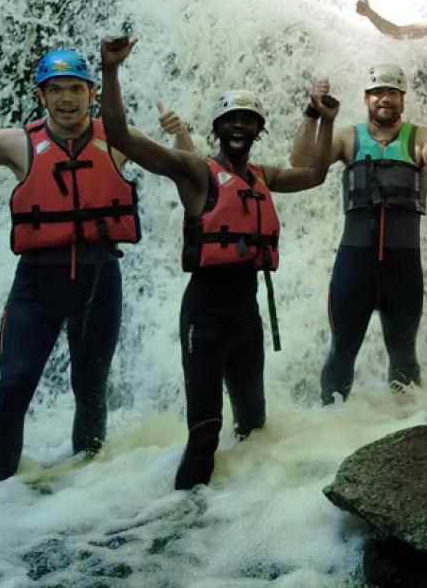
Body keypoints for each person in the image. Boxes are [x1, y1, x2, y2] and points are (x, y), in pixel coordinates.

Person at [0, 47, 191, 485]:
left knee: (90, 389)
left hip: (99, 282)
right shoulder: (15, 143)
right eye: (56, 90)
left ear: (93, 93)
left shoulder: (119, 137)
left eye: (76, 88)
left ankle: (83, 497)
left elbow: (188, 170)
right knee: (14, 384)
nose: (67, 98)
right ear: (42, 96)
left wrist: (181, 134)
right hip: (36, 285)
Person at [98, 37, 339, 489]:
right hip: (204, 321)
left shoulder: (262, 177)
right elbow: (120, 136)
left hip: (247, 322)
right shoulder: (195, 171)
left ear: (258, 130)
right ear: (217, 128)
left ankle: (239, 526)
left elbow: (316, 174)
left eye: (248, 121)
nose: (239, 127)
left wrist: (326, 122)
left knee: (253, 430)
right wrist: (110, 71)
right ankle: (180, 526)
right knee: (205, 434)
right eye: (230, 120)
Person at [290, 64, 427, 404]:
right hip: (354, 268)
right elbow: (301, 163)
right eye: (379, 93)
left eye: (393, 93)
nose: (386, 99)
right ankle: (330, 423)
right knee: (342, 349)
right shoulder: (347, 137)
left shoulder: (420, 137)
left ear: (402, 99)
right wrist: (313, 114)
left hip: (403, 271)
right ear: (367, 98)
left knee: (404, 354)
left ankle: (409, 427)